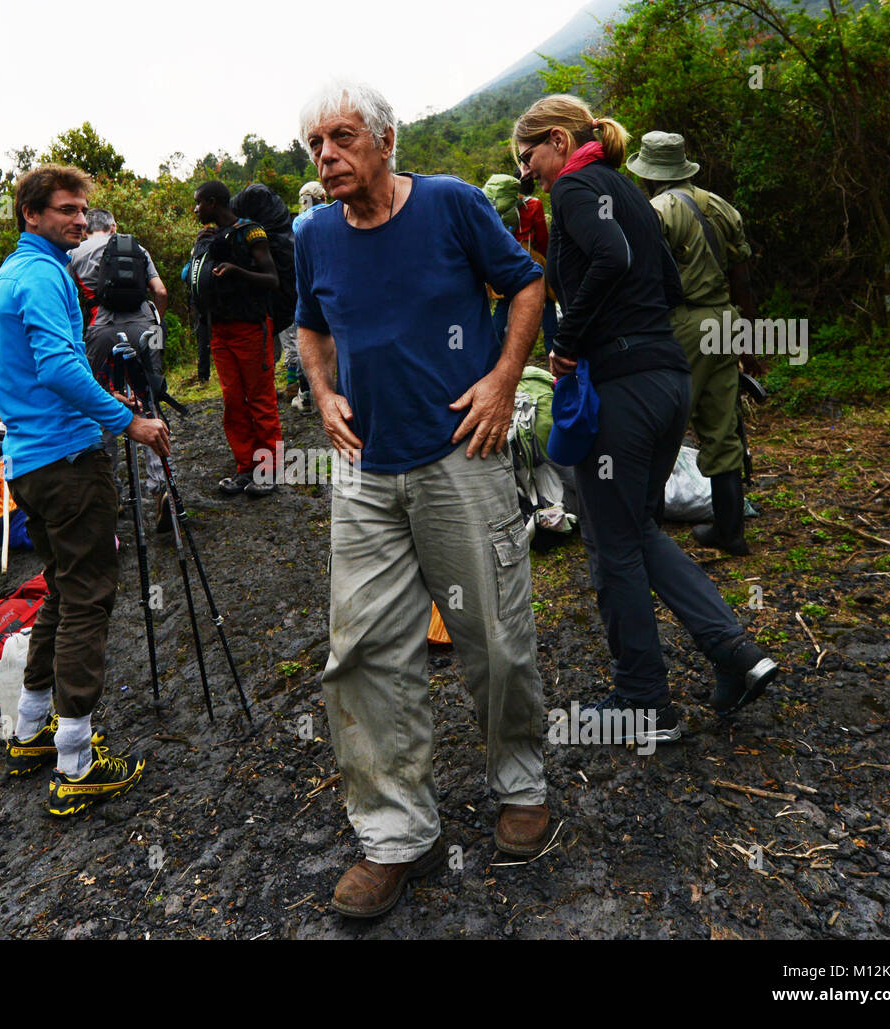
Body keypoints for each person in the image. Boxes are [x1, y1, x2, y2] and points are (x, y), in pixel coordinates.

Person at [295, 80, 549, 919]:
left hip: (460, 455)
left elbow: (525, 284)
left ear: (386, 139)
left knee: (494, 635)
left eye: (340, 138)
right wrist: (323, 393)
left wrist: (504, 382)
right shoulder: (313, 234)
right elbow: (312, 326)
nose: (326, 156)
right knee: (362, 651)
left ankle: (520, 781)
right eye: (314, 147)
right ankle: (396, 834)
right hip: (365, 474)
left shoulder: (451, 205)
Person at [512, 94, 778, 737]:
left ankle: (642, 700)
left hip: (624, 390)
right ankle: (736, 655)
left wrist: (568, 342)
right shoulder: (629, 191)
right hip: (667, 381)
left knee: (611, 545)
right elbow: (668, 285)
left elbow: (614, 260)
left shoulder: (575, 187)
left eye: (528, 161)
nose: (531, 176)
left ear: (555, 139)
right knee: (639, 529)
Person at [0, 165, 170, 818]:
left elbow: (42, 368)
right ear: (30, 214)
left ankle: (32, 728)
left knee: (62, 590)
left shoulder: (11, 273)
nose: (80, 220)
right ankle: (77, 762)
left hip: (29, 462)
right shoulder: (40, 275)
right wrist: (132, 420)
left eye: (83, 210)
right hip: (66, 461)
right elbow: (61, 366)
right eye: (66, 209)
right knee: (88, 595)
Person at [628, 131, 759, 555]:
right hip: (724, 320)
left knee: (659, 427)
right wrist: (748, 338)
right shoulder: (719, 205)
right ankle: (730, 531)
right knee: (722, 430)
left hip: (680, 325)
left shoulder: (655, 213)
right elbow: (742, 275)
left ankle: (642, 533)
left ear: (649, 174)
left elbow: (643, 281)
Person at [70, 209, 174, 533]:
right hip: (144, 324)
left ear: (87, 228)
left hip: (100, 328)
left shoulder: (73, 253)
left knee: (103, 404)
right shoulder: (135, 247)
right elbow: (161, 292)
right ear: (113, 227)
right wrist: (157, 322)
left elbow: (70, 300)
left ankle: (110, 491)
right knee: (148, 399)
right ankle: (162, 489)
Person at [192, 180, 282, 497]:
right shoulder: (210, 237)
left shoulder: (252, 232)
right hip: (220, 330)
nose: (196, 209)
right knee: (232, 402)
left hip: (251, 328)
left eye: (199, 203)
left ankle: (269, 471)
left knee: (260, 399)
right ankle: (245, 468)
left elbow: (272, 279)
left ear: (214, 202)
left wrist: (237, 271)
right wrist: (199, 248)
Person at [482, 173, 558, 353]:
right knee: (546, 304)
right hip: (530, 259)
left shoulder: (497, 206)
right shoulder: (534, 205)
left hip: (506, 259)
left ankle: (490, 353)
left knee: (503, 306)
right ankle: (553, 351)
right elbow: (541, 238)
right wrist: (547, 258)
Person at [283, 180, 330, 412]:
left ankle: (307, 394)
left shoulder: (299, 222)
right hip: (335, 286)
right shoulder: (337, 213)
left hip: (309, 287)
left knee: (308, 339)